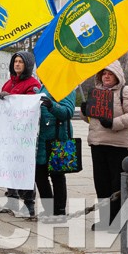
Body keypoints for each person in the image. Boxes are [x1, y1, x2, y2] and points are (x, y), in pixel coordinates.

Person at [81, 61, 128, 230]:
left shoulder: (126, 92)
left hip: (118, 145)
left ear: (117, 75)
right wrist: (85, 112)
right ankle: (105, 220)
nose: (106, 76)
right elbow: (92, 119)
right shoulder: (97, 92)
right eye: (103, 73)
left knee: (117, 184)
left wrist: (113, 123)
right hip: (98, 143)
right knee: (101, 184)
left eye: (110, 73)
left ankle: (118, 221)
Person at [0, 51, 43, 218]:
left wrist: (12, 98)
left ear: (27, 65)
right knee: (10, 168)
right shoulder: (8, 83)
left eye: (20, 62)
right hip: (9, 134)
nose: (17, 64)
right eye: (15, 61)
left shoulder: (32, 84)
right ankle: (11, 200)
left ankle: (29, 204)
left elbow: (30, 106)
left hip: (24, 135)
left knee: (23, 170)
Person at [35, 86, 75, 219]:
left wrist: (52, 105)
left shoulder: (66, 87)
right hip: (41, 139)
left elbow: (68, 112)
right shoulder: (43, 87)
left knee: (57, 176)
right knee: (39, 176)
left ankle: (59, 211)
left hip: (58, 138)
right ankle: (48, 209)